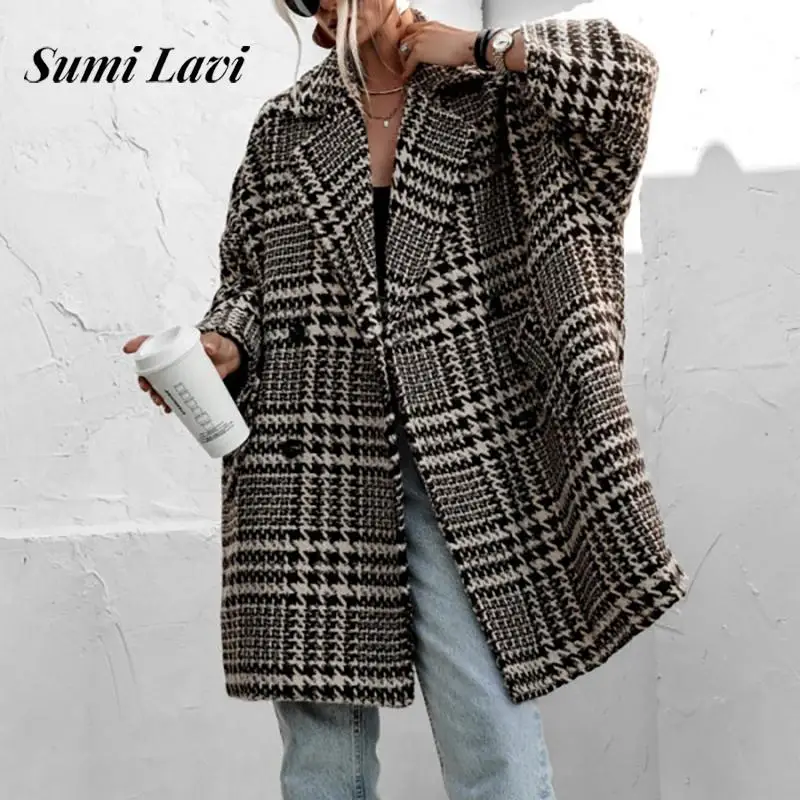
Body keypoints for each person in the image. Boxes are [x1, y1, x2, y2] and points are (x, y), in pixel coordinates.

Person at [124, 1, 688, 797]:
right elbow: (248, 280)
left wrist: (484, 48)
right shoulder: (286, 125)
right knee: (322, 764)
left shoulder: (498, 97)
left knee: (489, 736)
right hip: (312, 458)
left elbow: (624, 78)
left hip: (469, 455)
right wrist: (224, 344)